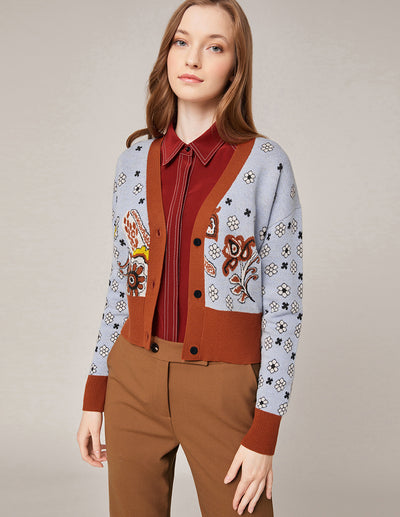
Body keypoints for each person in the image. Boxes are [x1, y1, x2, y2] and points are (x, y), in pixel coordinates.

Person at [77, 1, 304, 515]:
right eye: (182, 41)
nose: (193, 58)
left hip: (222, 386)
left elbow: (284, 306)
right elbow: (121, 283)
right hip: (133, 380)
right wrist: (95, 394)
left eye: (214, 46)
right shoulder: (133, 162)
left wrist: (265, 429)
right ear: (167, 53)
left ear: (236, 66)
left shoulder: (266, 165)